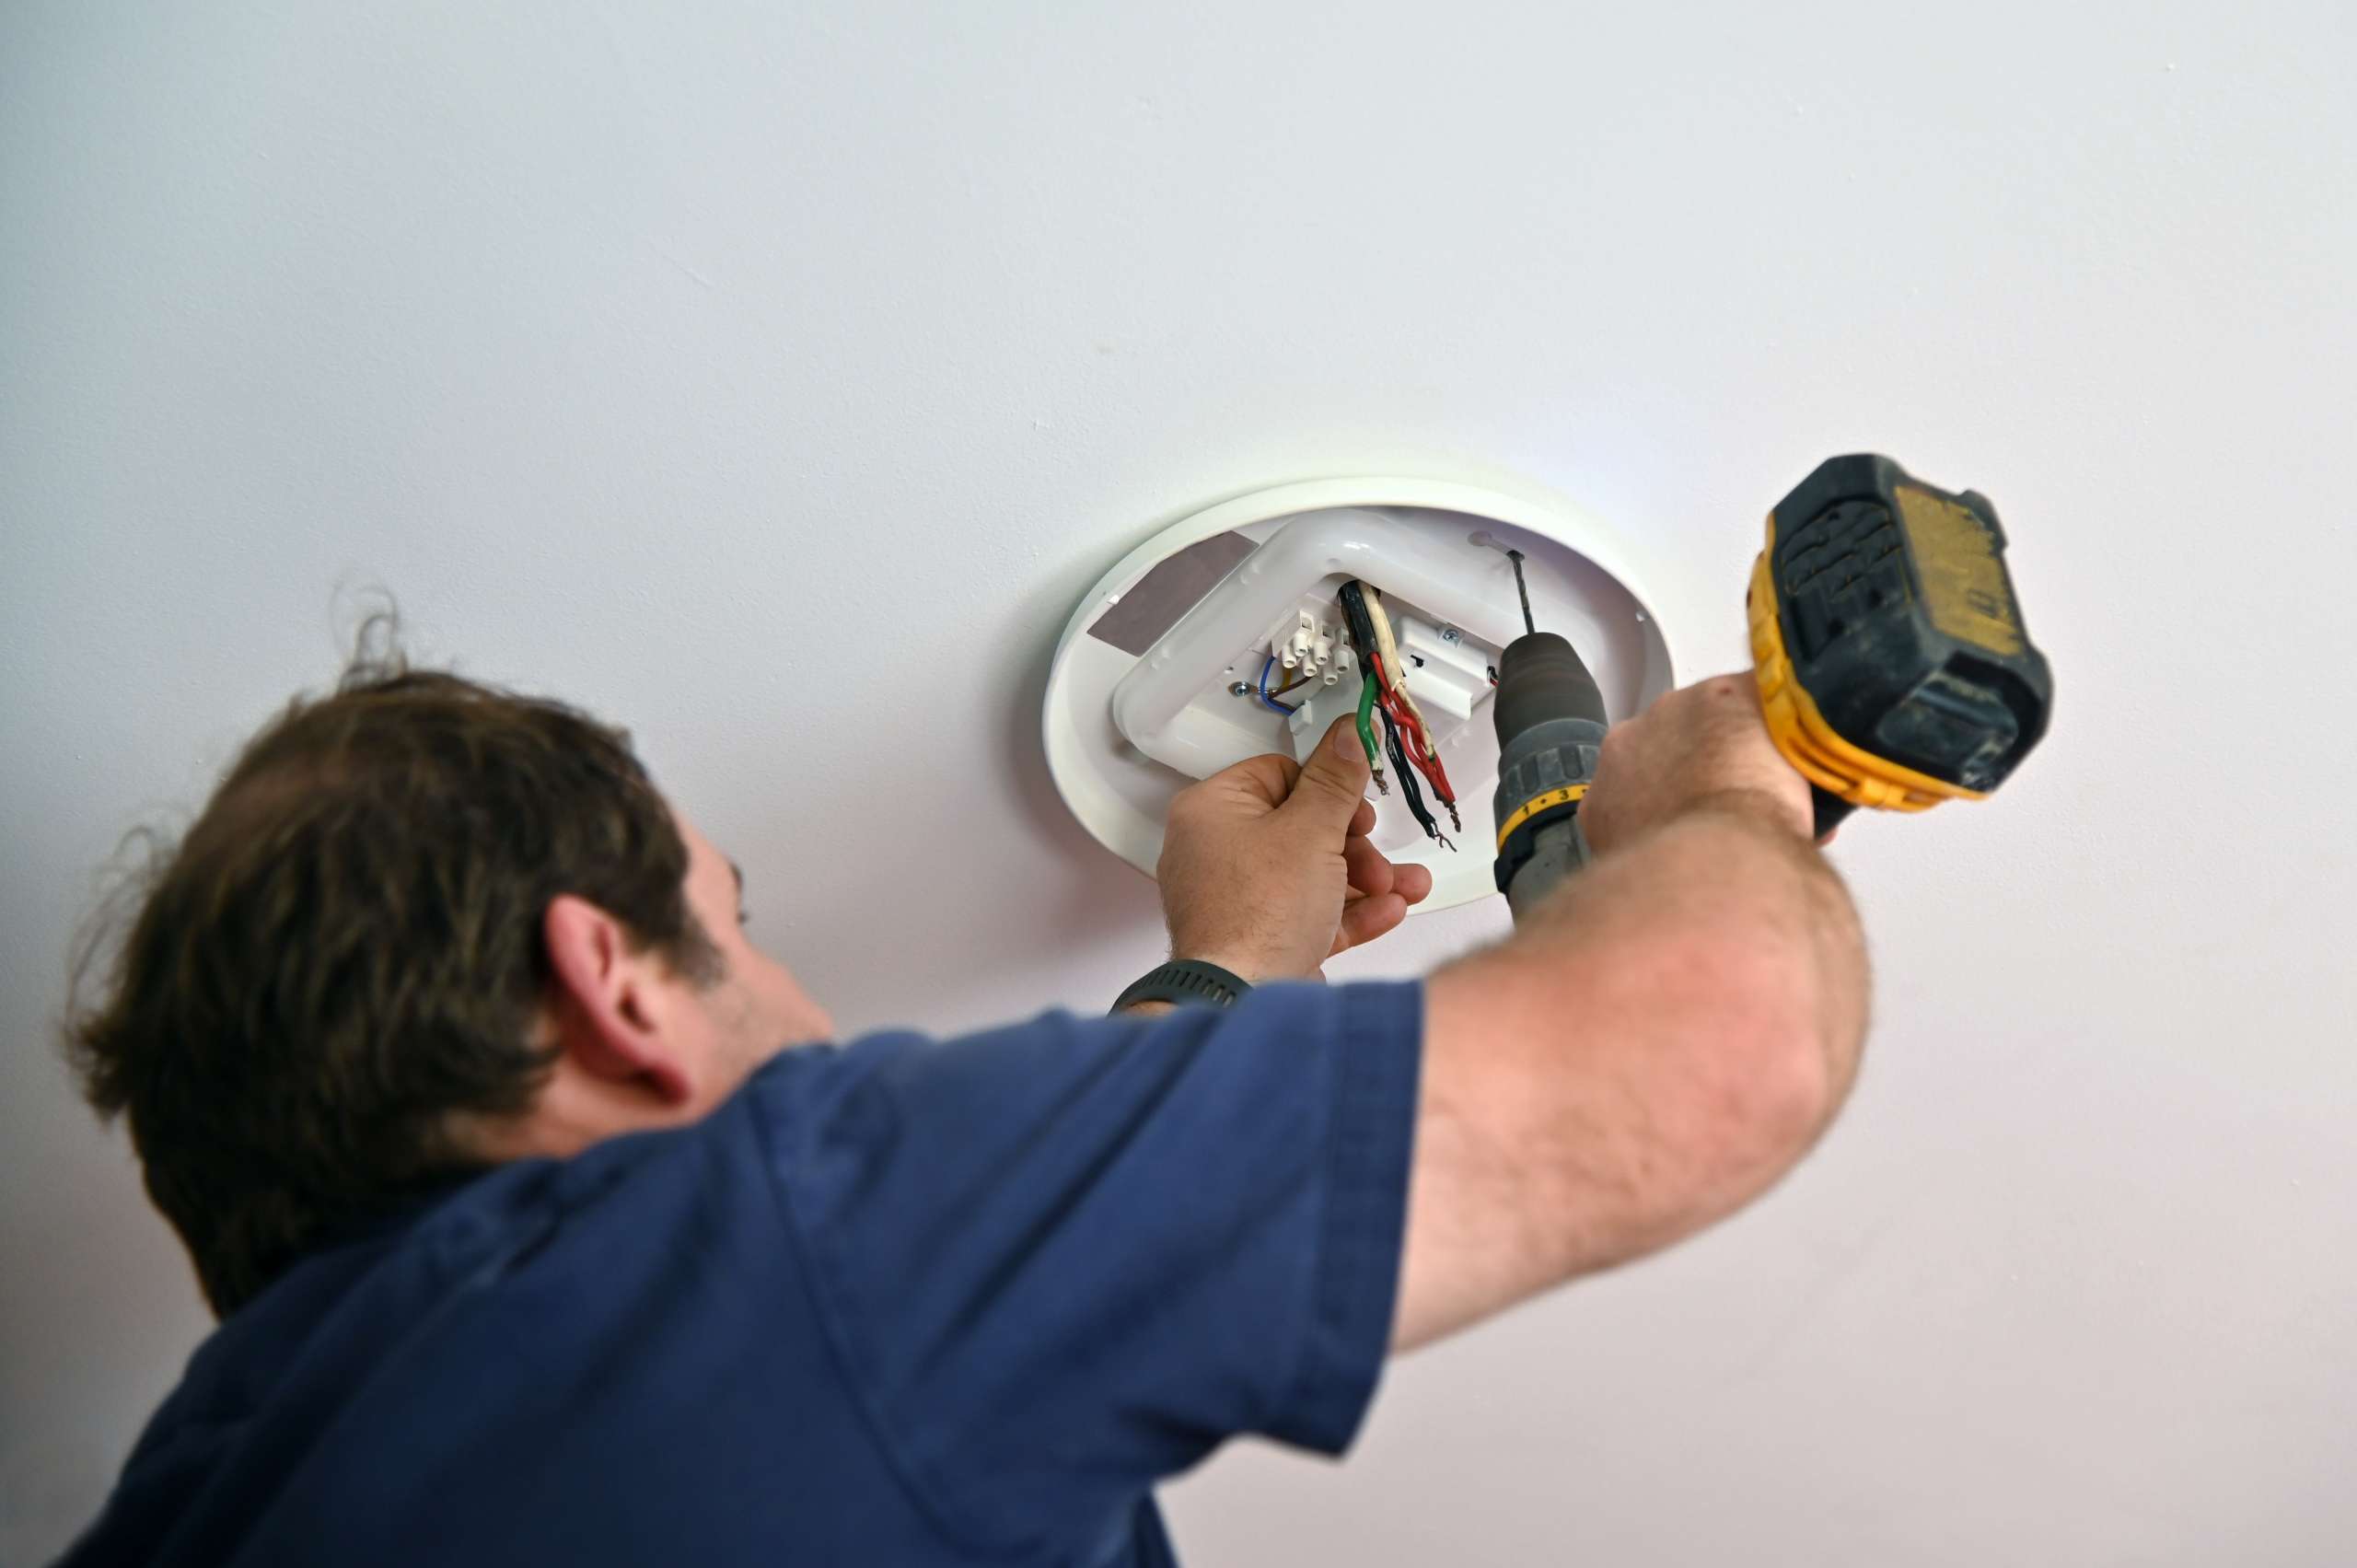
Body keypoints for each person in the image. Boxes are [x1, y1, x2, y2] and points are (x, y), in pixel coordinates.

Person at [57, 645, 1866, 1567]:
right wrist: (1710, 801)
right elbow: (1716, 1035)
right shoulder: (769, 1244)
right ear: (611, 990)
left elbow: (930, 1342)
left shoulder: (204, 1499)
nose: (803, 1011)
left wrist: (1235, 957)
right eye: (736, 930)